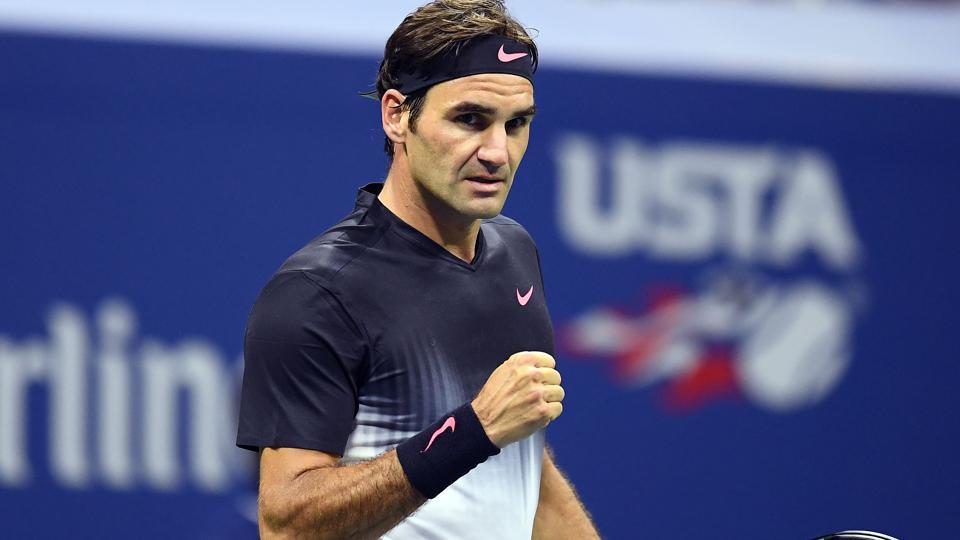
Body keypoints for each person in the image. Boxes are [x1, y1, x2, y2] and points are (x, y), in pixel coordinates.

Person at [236, 1, 599, 538]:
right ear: (397, 115)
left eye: (516, 124)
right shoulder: (317, 291)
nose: (497, 152)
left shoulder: (514, 251)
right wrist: (472, 431)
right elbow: (287, 525)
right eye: (470, 119)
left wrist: (490, 431)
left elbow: (525, 466)